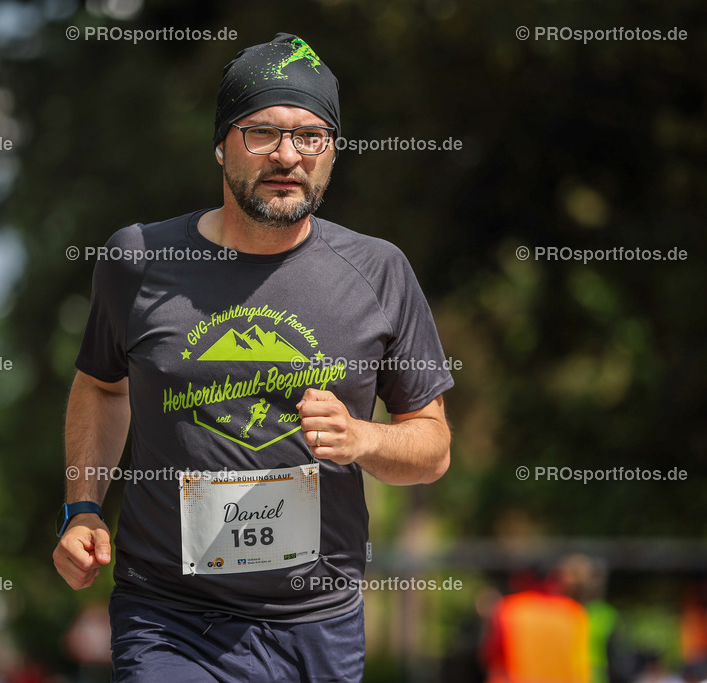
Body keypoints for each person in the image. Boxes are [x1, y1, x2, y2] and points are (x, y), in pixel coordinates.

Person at [52, 32, 454, 681]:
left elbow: (432, 446)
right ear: (220, 143)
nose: (287, 155)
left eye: (310, 136)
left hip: (318, 621)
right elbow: (102, 386)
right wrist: (83, 507)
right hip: (169, 616)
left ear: (332, 151)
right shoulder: (139, 260)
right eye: (261, 131)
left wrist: (361, 438)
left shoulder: (378, 271)